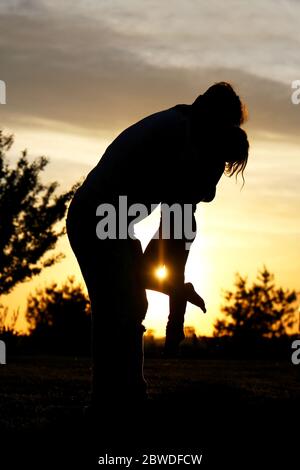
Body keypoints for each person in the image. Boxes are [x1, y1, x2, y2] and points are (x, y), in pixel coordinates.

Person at [66, 82, 249, 412]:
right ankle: (110, 403)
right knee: (116, 310)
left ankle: (126, 398)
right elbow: (175, 239)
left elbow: (174, 239)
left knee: (131, 305)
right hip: (96, 217)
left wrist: (174, 299)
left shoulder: (187, 131)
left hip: (114, 221)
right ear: (213, 121)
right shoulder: (181, 138)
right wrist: (175, 305)